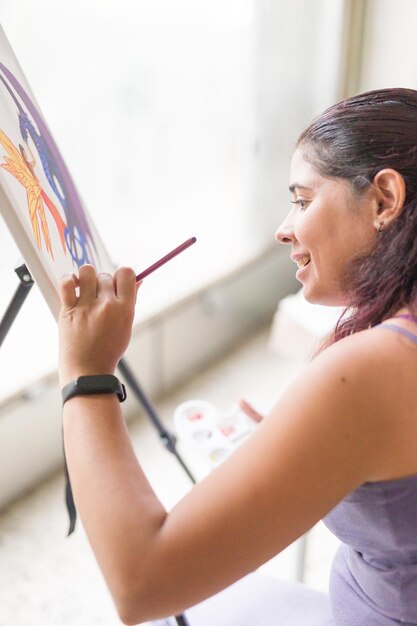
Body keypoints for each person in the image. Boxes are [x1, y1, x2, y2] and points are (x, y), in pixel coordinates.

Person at [58, 88, 417, 626]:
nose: (283, 227)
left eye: (302, 199)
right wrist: (309, 442)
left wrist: (86, 373)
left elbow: (142, 583)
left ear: (385, 199)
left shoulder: (374, 369)